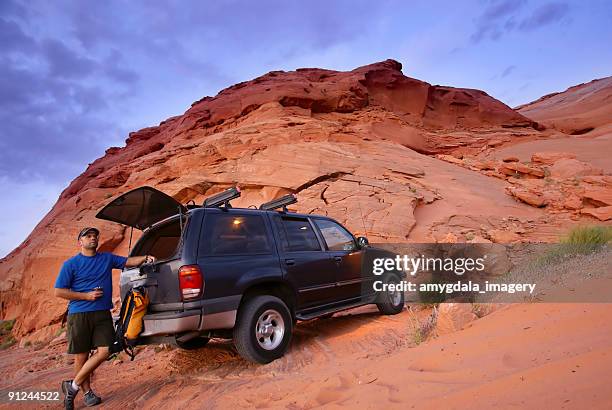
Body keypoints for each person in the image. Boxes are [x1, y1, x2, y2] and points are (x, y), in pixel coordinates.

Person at [54, 227, 156, 409]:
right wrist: (86, 296)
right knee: (81, 357)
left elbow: (128, 261)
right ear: (80, 242)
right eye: (88, 236)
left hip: (102, 313)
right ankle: (86, 393)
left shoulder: (106, 258)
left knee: (105, 351)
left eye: (95, 236)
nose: (93, 238)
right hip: (79, 314)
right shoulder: (71, 264)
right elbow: (59, 291)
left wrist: (145, 257)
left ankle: (72, 386)